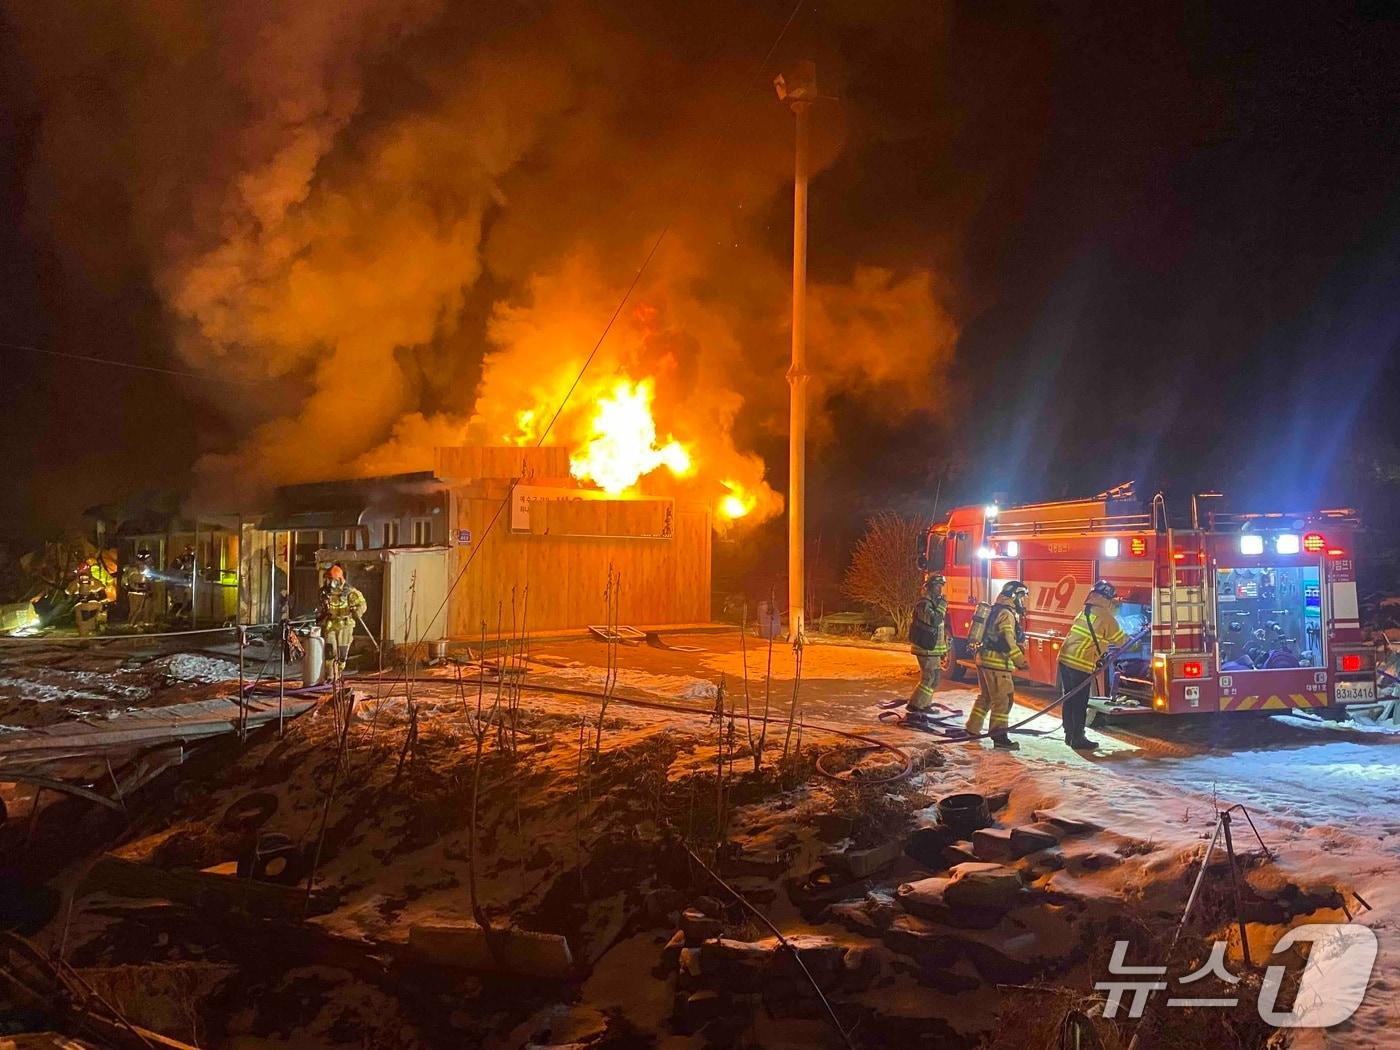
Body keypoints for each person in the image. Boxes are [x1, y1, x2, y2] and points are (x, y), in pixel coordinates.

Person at [1057, 579, 1128, 751]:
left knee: (1069, 698)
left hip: (1065, 659)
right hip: (1080, 662)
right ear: (1108, 598)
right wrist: (1136, 641)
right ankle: (1078, 738)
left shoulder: (1086, 610)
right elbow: (1121, 641)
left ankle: (1069, 733)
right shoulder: (1106, 616)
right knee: (1080, 701)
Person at [966, 580, 1029, 749]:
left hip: (984, 660)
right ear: (1013, 596)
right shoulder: (1006, 614)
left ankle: (972, 728)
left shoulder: (996, 609)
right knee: (1003, 700)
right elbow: (1008, 640)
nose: (1022, 602)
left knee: (986, 697)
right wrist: (1020, 661)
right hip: (997, 664)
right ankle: (999, 737)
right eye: (1021, 597)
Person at [318, 563, 367, 686]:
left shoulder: (350, 592)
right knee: (330, 652)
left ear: (340, 579)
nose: (329, 582)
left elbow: (362, 605)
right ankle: (330, 676)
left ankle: (338, 674)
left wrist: (357, 611)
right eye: (328, 579)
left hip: (345, 626)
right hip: (331, 625)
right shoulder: (325, 592)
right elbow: (322, 607)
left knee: (341, 654)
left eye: (332, 579)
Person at [907, 573, 949, 712]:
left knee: (935, 678)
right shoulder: (924, 604)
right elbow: (935, 621)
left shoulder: (934, 603)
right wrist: (943, 605)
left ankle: (925, 704)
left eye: (941, 586)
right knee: (928, 677)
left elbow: (939, 630)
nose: (940, 589)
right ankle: (915, 705)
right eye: (938, 586)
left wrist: (943, 650)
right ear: (930, 587)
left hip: (933, 649)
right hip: (925, 648)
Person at [122, 546, 155, 628]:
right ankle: (131, 627)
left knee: (146, 611)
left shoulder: (147, 569)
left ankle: (144, 626)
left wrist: (150, 590)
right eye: (149, 559)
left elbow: (149, 581)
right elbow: (133, 581)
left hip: (145, 593)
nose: (151, 561)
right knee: (136, 610)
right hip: (136, 594)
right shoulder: (133, 570)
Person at [169, 545, 196, 621]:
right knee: (178, 603)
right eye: (189, 550)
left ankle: (183, 615)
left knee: (190, 601)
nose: (190, 552)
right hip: (178, 584)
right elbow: (174, 569)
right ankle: (171, 617)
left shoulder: (193, 559)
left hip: (188, 583)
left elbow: (193, 569)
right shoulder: (179, 559)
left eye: (191, 550)